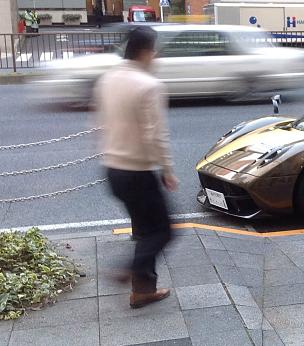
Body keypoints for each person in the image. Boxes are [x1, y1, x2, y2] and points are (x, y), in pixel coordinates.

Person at [95, 26, 178, 309]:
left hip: (112, 170)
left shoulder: (108, 79)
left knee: (145, 230)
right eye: (154, 51)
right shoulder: (149, 85)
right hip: (138, 172)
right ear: (145, 51)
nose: (155, 57)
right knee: (163, 231)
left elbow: (101, 122)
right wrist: (167, 170)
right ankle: (132, 269)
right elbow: (157, 135)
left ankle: (143, 291)